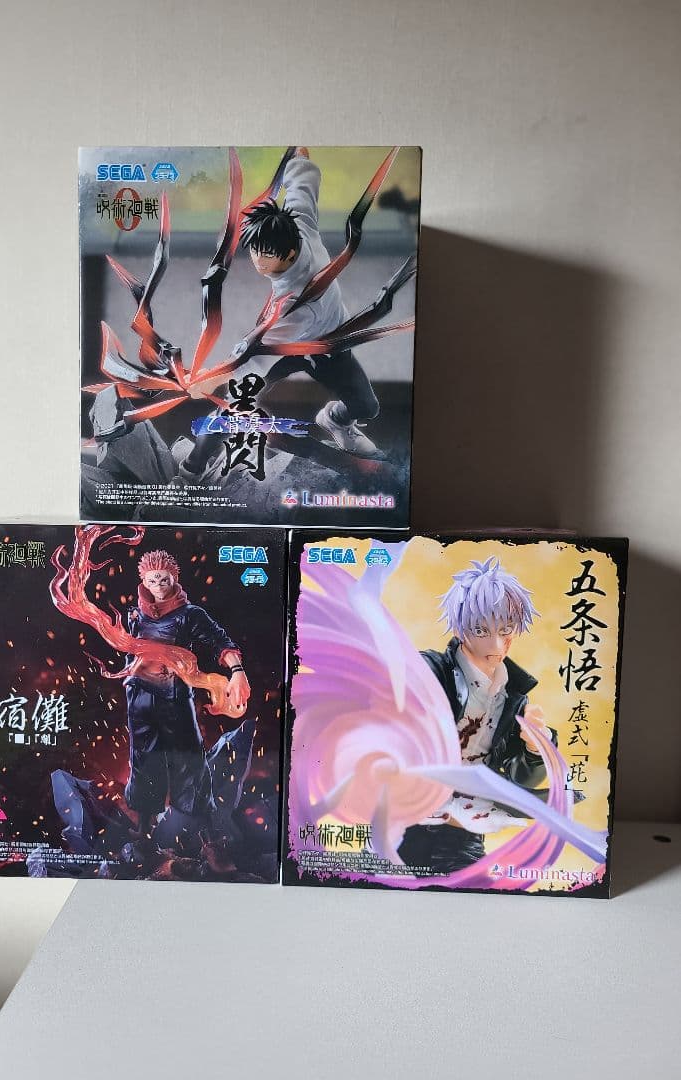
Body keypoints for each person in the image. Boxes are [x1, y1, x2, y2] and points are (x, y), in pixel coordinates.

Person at [178, 146, 384, 481]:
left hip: (324, 346)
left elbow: (255, 355)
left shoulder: (294, 306)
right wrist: (300, 159)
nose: (258, 262)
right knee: (236, 405)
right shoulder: (299, 224)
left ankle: (335, 420)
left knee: (366, 406)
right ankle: (192, 469)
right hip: (287, 348)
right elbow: (302, 188)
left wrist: (213, 378)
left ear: (288, 253)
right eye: (255, 251)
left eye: (267, 255)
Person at [398, 557, 552, 875]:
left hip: (466, 827)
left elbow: (519, 778)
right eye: (481, 630)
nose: (496, 644)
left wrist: (534, 750)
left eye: (505, 630)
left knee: (469, 890)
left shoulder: (513, 698)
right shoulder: (431, 671)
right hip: (406, 819)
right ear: (460, 629)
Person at [123, 549, 250, 834]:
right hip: (139, 696)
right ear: (144, 581)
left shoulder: (189, 614)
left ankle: (198, 826)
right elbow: (128, 649)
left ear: (174, 578)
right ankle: (144, 825)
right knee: (143, 757)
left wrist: (237, 671)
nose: (158, 586)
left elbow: (219, 640)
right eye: (152, 580)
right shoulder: (135, 614)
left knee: (188, 757)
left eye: (163, 580)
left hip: (175, 697)